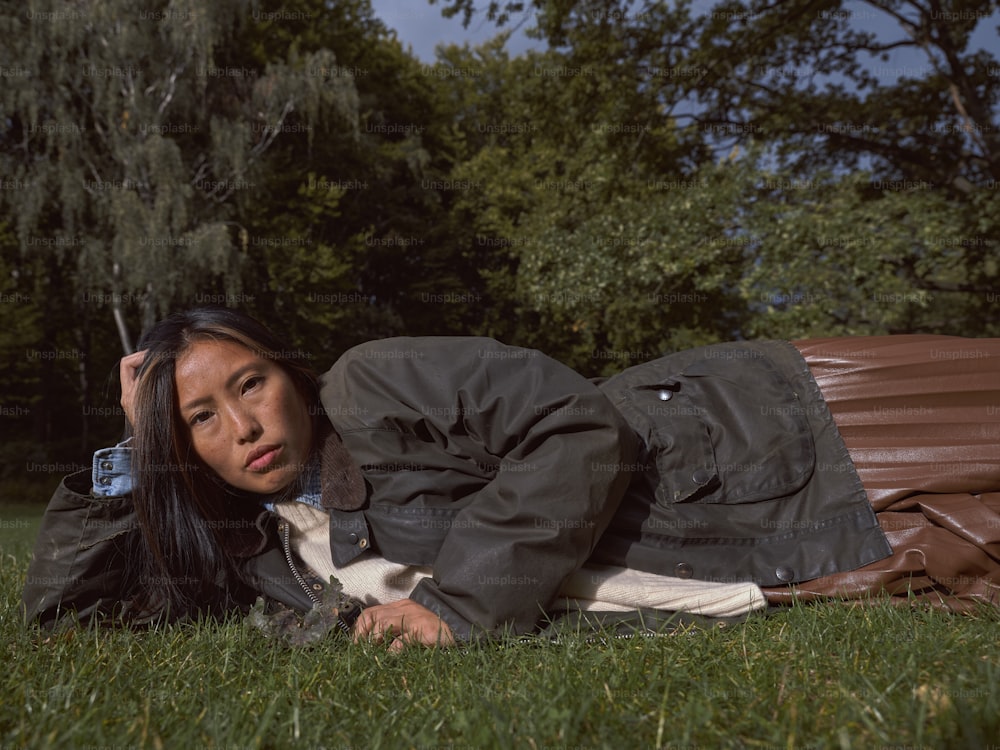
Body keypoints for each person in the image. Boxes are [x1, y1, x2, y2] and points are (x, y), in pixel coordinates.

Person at [21, 308, 1000, 648]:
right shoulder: (266, 555)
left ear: (289, 371)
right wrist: (125, 446)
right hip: (760, 559)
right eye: (200, 417)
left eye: (251, 384)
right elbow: (68, 616)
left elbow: (575, 428)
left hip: (760, 442)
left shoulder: (371, 381)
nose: (243, 424)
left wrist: (459, 603)